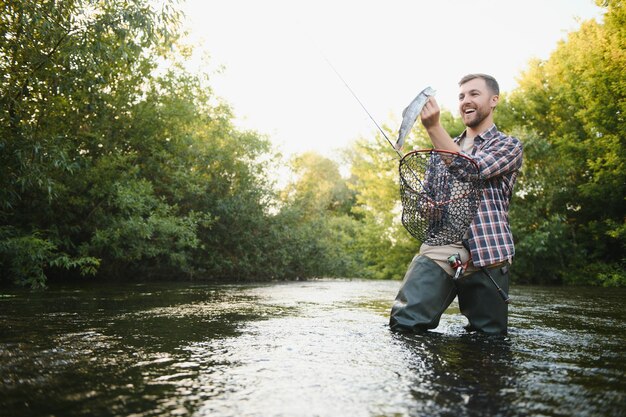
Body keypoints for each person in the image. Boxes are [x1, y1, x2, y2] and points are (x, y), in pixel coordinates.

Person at [389, 74, 523, 335]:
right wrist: (427, 206)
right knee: (404, 324)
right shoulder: (440, 149)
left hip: (489, 251)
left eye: (474, 94)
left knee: (489, 339)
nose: (466, 101)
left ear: (494, 100)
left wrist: (432, 127)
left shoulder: (508, 146)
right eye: (461, 96)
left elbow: (469, 170)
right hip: (441, 246)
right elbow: (427, 200)